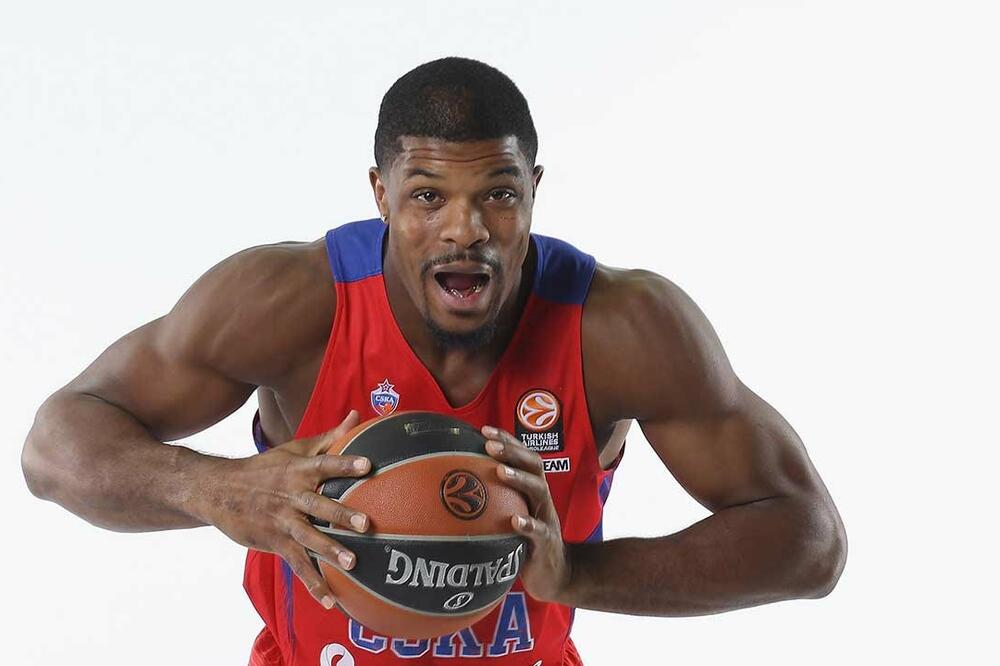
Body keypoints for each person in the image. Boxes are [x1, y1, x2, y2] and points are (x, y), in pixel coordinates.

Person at [21, 57, 846, 665]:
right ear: (380, 193)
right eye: (427, 196)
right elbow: (54, 447)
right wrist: (215, 488)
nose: (466, 230)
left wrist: (579, 575)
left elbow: (809, 541)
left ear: (534, 190)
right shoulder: (289, 305)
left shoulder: (620, 328)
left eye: (498, 194)